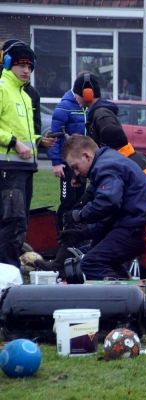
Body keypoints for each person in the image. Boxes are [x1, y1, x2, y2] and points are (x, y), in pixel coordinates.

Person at [59, 135, 146, 280]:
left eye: (75, 167)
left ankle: (122, 298)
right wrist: (85, 233)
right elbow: (113, 214)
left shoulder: (105, 166)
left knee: (92, 263)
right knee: (105, 260)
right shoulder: (108, 160)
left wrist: (79, 215)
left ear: (86, 156)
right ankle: (127, 292)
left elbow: (108, 202)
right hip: (144, 223)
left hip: (141, 226)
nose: (76, 173)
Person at [0, 40, 56, 268]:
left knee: (20, 222)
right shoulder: (2, 88)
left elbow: (25, 134)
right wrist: (14, 143)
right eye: (21, 65)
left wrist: (39, 141)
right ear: (8, 63)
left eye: (30, 67)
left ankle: (9, 268)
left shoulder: (24, 93)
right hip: (8, 169)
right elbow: (12, 136)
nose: (26, 71)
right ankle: (7, 270)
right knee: (13, 222)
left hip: (25, 169)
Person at [71, 72, 146, 196]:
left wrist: (106, 165)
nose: (75, 98)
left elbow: (116, 138)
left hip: (118, 170)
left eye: (77, 94)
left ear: (87, 93)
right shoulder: (97, 113)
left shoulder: (101, 114)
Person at [48, 88, 87, 229]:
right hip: (67, 164)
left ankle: (75, 231)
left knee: (81, 200)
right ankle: (59, 232)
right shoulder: (63, 108)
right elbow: (55, 137)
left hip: (83, 165)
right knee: (68, 200)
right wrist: (56, 163)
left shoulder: (86, 107)